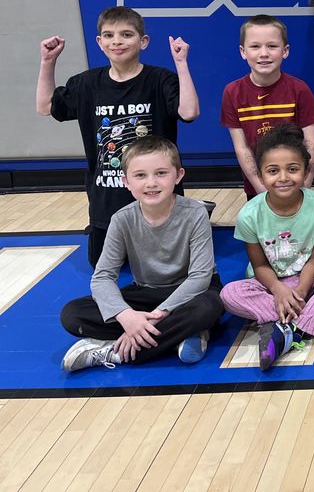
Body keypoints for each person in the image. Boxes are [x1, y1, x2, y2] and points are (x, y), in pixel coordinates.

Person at [36, 6, 199, 266]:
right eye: (109, 36)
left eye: (126, 34)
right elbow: (45, 106)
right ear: (100, 43)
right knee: (102, 264)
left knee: (168, 266)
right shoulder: (86, 83)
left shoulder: (160, 79)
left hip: (158, 202)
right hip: (107, 202)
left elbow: (189, 112)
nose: (117, 41)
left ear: (143, 41)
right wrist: (48, 61)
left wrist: (181, 64)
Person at [59, 136, 222, 371]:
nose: (151, 183)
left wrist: (156, 315)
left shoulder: (195, 213)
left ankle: (113, 352)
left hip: (191, 293)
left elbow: (199, 277)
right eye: (140, 175)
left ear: (178, 175)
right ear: (126, 181)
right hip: (146, 293)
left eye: (161, 173)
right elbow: (103, 277)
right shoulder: (122, 219)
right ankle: (179, 334)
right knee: (72, 314)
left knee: (209, 307)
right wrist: (127, 317)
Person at [219, 125, 314, 371]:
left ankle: (290, 328)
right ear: (260, 174)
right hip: (270, 283)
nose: (283, 177)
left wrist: (299, 291)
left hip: (309, 279)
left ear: (306, 170)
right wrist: (278, 290)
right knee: (229, 295)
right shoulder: (249, 214)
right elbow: (258, 265)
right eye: (273, 171)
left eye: (293, 169)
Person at [221, 15, 314, 199]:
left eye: (272, 46)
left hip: (297, 187)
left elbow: (311, 144)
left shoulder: (300, 89)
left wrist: (303, 187)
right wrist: (264, 192)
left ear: (285, 51)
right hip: (258, 191)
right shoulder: (232, 92)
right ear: (243, 51)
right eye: (255, 46)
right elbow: (242, 148)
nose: (264, 53)